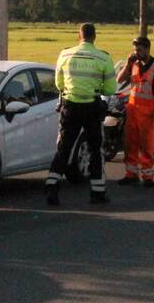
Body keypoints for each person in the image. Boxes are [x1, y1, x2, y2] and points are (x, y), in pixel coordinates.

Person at [45, 23, 116, 206]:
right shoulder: (103, 57)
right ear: (95, 37)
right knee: (95, 150)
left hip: (70, 106)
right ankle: (97, 193)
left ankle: (52, 188)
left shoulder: (65, 54)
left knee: (64, 148)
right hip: (92, 107)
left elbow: (59, 83)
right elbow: (110, 89)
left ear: (79, 36)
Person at [117, 36, 154, 188]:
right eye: (135, 50)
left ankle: (147, 176)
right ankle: (131, 174)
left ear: (147, 49)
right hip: (132, 109)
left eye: (139, 50)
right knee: (130, 143)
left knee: (146, 145)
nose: (136, 53)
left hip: (147, 111)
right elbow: (120, 80)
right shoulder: (134, 64)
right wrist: (128, 64)